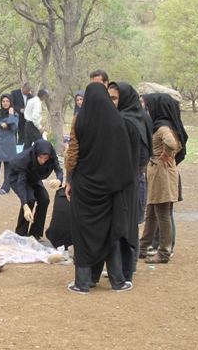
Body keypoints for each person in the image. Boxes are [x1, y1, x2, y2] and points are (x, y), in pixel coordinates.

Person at [65, 82, 135, 294]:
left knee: (83, 234)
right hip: (110, 187)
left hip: (84, 187)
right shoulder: (116, 121)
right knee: (110, 232)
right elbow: (124, 155)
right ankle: (118, 281)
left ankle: (83, 283)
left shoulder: (80, 120)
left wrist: (69, 180)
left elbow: (72, 154)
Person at [104, 82, 153, 283]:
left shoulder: (124, 121)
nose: (111, 102)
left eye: (114, 98)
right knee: (131, 224)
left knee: (122, 226)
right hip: (135, 178)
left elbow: (140, 156)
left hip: (124, 181)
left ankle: (124, 271)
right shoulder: (142, 118)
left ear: (124, 98)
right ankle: (128, 269)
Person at [138, 93, 186, 264]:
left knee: (162, 213)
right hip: (156, 172)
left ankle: (164, 252)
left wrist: (165, 154)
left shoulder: (163, 127)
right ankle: (142, 247)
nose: (146, 109)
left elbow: (172, 143)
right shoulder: (159, 125)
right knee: (151, 211)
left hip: (162, 173)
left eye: (148, 106)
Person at [8, 139, 63, 241]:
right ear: (36, 154)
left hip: (34, 177)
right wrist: (25, 206)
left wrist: (59, 179)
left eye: (46, 158)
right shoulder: (24, 159)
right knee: (29, 200)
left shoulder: (52, 155)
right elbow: (21, 184)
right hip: (18, 177)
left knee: (44, 199)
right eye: (40, 158)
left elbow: (58, 168)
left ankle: (35, 233)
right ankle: (21, 234)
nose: (43, 161)